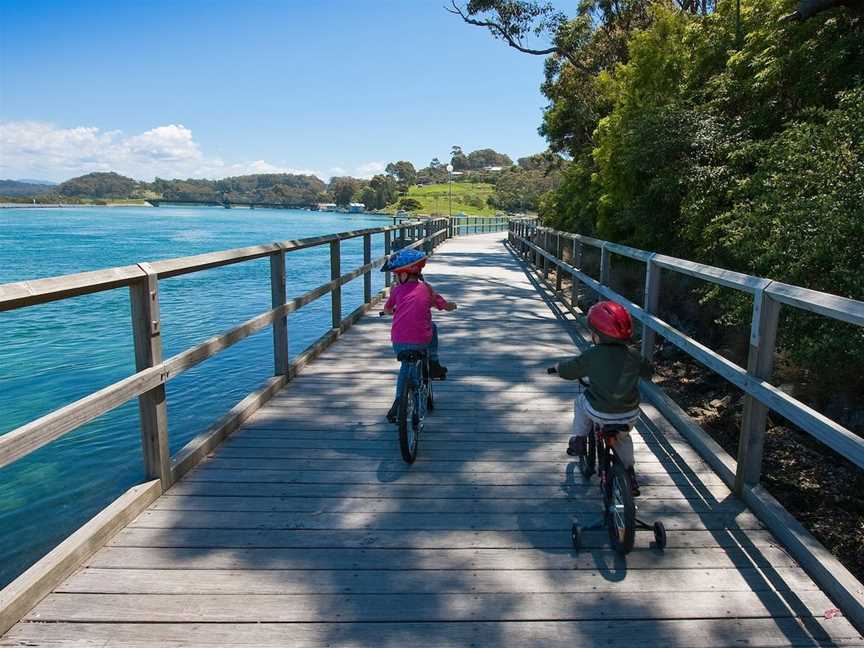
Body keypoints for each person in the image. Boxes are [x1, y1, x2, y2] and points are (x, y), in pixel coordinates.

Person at [550, 300, 651, 495]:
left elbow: (571, 370)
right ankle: (630, 474)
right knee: (623, 437)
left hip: (600, 412)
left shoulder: (592, 354)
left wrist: (558, 368)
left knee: (580, 403)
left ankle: (579, 439)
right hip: (629, 414)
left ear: (597, 335)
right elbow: (648, 371)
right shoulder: (634, 355)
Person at [381, 249, 457, 423]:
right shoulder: (427, 289)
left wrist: (390, 311)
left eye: (396, 275)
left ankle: (399, 402)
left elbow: (387, 309)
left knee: (405, 368)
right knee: (432, 327)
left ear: (404, 275)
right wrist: (450, 306)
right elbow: (442, 304)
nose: (395, 278)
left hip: (399, 342)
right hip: (421, 340)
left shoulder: (397, 291)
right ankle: (434, 362)